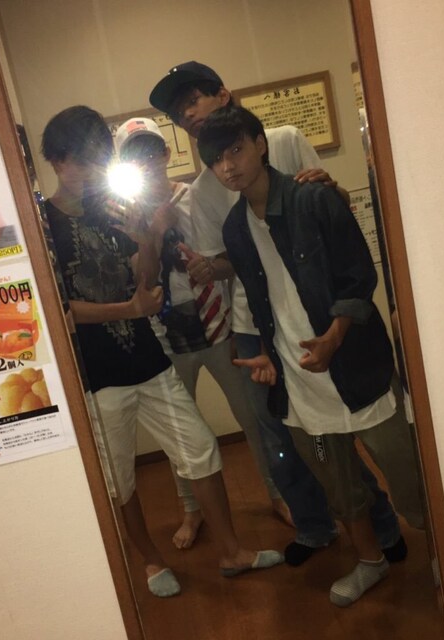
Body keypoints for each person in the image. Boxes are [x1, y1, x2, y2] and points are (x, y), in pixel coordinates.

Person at [149, 61, 407, 565]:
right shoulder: (202, 192)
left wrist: (330, 187)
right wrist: (207, 269)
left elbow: (333, 208)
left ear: (224, 94)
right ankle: (314, 526)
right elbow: (228, 262)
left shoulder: (283, 140)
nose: (190, 116)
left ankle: (383, 525)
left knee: (351, 424)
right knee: (283, 437)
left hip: (324, 312)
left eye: (194, 101)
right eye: (180, 115)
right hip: (255, 325)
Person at [40, 105, 283, 598]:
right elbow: (55, 311)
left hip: (148, 358)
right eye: (85, 161)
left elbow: (145, 281)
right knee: (118, 477)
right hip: (95, 373)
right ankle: (150, 561)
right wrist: (129, 308)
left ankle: (231, 551)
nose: (94, 170)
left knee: (200, 447)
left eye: (101, 159)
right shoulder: (42, 223)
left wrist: (147, 237)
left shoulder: (108, 209)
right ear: (58, 161)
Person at [197, 105, 425, 606]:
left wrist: (334, 336)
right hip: (300, 384)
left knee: (407, 474)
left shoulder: (313, 198)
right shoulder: (236, 228)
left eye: (235, 150)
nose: (228, 166)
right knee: (338, 483)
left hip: (356, 369)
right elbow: (261, 300)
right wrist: (265, 355)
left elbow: (359, 278)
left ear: (260, 144)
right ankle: (370, 561)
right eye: (216, 159)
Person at [114, 116, 292, 549]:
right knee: (180, 434)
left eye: (151, 150)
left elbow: (234, 259)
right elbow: (142, 284)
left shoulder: (197, 196)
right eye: (135, 155)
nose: (147, 161)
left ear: (166, 153)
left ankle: (277, 492)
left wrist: (210, 267)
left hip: (218, 326)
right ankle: (191, 509)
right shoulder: (125, 216)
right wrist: (153, 235)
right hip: (166, 339)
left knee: (253, 418)